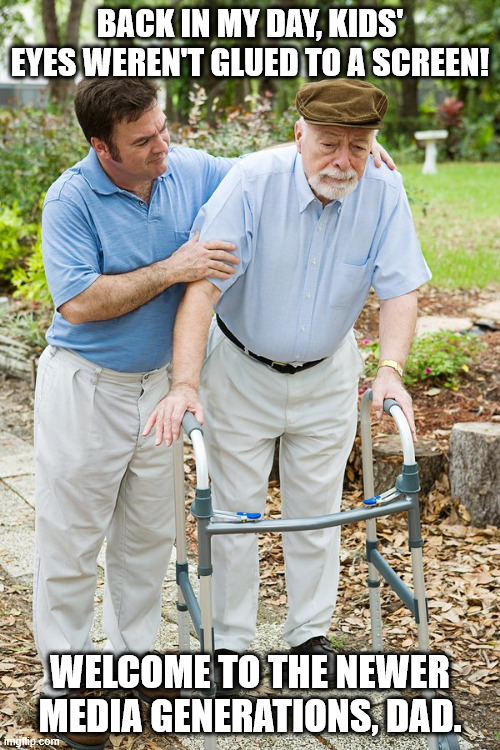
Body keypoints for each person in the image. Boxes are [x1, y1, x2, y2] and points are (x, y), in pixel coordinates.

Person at [35, 75, 393, 744]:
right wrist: (174, 268)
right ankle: (69, 685)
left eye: (165, 128)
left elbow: (278, 169)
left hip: (159, 387)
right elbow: (79, 302)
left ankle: (133, 669)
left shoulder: (185, 168)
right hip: (87, 386)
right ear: (101, 147)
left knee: (145, 541)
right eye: (144, 141)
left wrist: (350, 152)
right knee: (72, 542)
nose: (163, 147)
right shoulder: (71, 199)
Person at [144, 79, 432, 688]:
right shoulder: (253, 182)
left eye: (358, 146)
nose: (343, 161)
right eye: (330, 143)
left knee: (317, 510)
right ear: (298, 135)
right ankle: (233, 645)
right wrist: (186, 383)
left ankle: (308, 636)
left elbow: (400, 286)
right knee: (235, 509)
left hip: (327, 371)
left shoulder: (382, 188)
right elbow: (204, 288)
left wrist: (391, 370)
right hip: (242, 367)